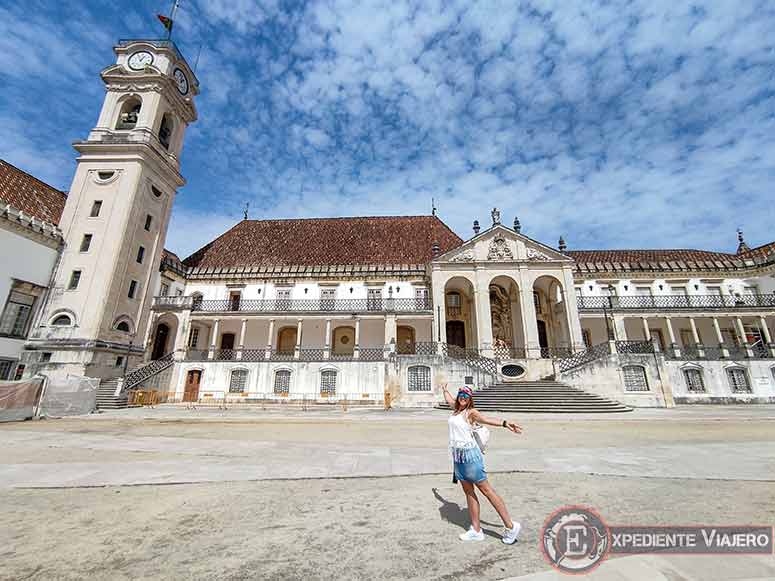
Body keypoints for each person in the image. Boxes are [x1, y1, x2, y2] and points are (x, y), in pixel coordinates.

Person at [442, 383, 523, 543]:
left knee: (487, 490)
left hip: (470, 457)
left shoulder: (471, 412)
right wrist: (444, 390)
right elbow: (449, 400)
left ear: (470, 399)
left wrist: (505, 423)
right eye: (461, 395)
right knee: (469, 492)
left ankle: (511, 526)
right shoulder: (456, 409)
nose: (463, 398)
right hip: (458, 457)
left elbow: (486, 419)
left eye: (466, 396)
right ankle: (476, 530)